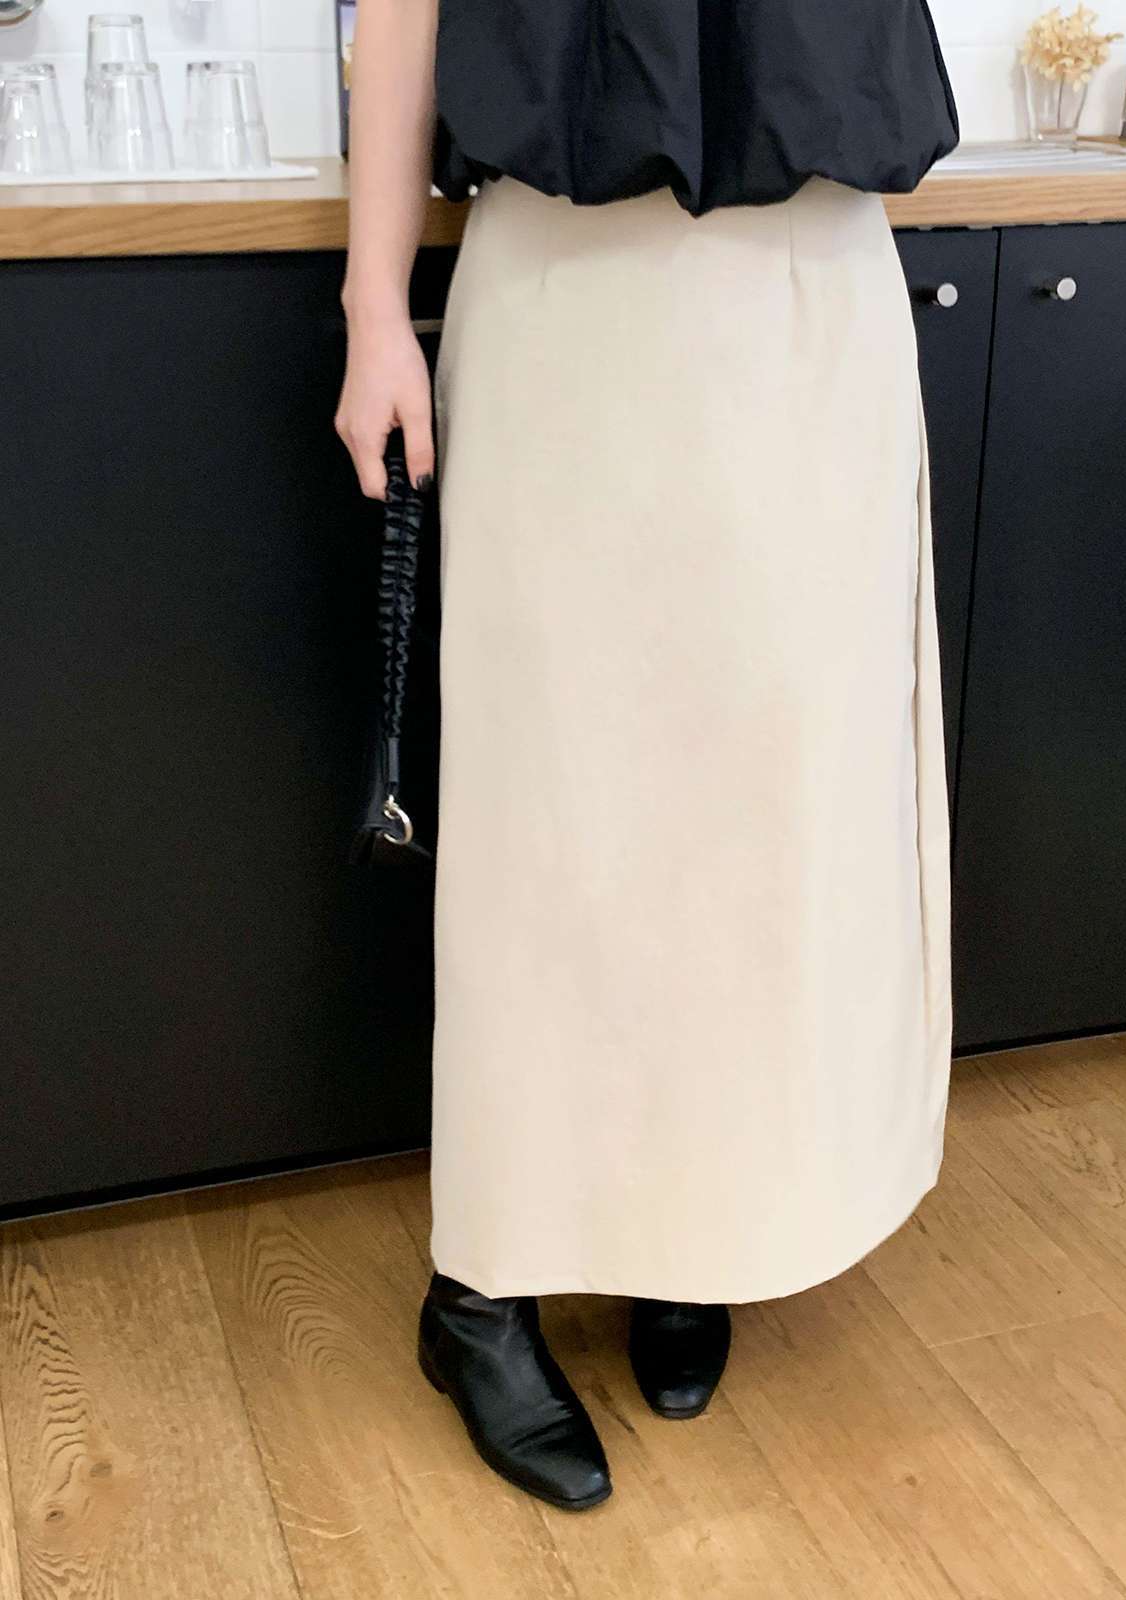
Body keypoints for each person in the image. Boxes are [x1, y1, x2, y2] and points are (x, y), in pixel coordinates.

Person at [335, 0, 960, 1514]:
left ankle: (697, 1227)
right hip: (571, 287)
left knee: (768, 818)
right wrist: (374, 311)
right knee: (554, 818)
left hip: (811, 287)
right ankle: (480, 1289)